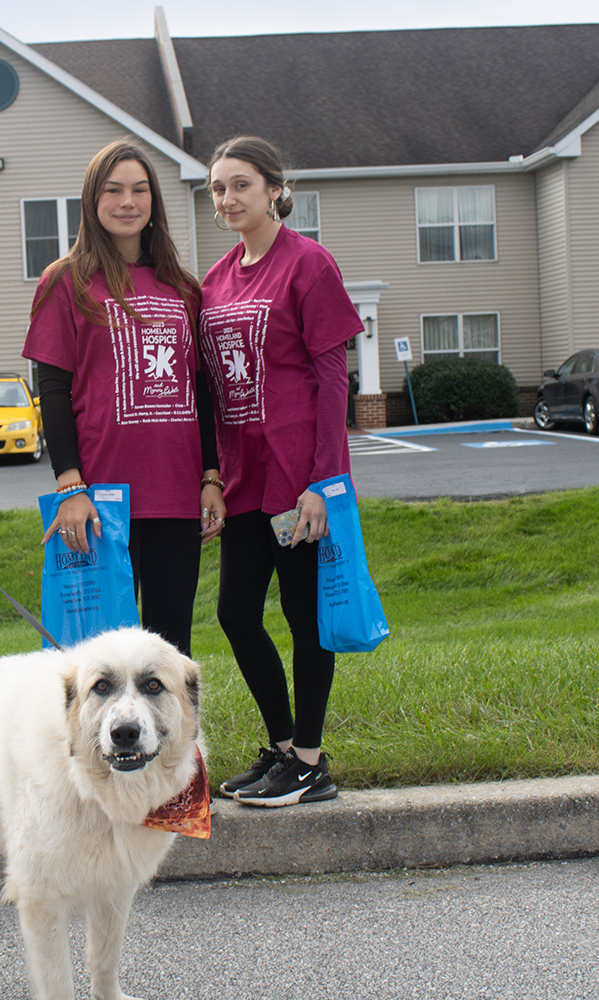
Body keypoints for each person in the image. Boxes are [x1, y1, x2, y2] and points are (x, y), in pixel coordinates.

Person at [198, 135, 365, 806]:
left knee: (303, 615)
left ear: (274, 189)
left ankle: (311, 760)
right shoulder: (214, 281)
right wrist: (212, 473)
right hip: (245, 477)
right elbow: (210, 389)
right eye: (218, 188)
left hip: (298, 478)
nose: (227, 198)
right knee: (236, 613)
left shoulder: (309, 264)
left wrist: (325, 482)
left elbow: (333, 378)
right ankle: (284, 747)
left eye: (241, 184)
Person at [22, 139, 224, 655]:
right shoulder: (64, 281)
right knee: (95, 654)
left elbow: (200, 389)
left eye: (139, 189)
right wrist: (70, 486)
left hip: (175, 493)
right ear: (93, 200)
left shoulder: (183, 288)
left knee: (169, 647)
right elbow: (53, 390)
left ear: (154, 199)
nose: (127, 202)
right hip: (100, 500)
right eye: (113, 190)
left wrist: (210, 477)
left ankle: (172, 719)